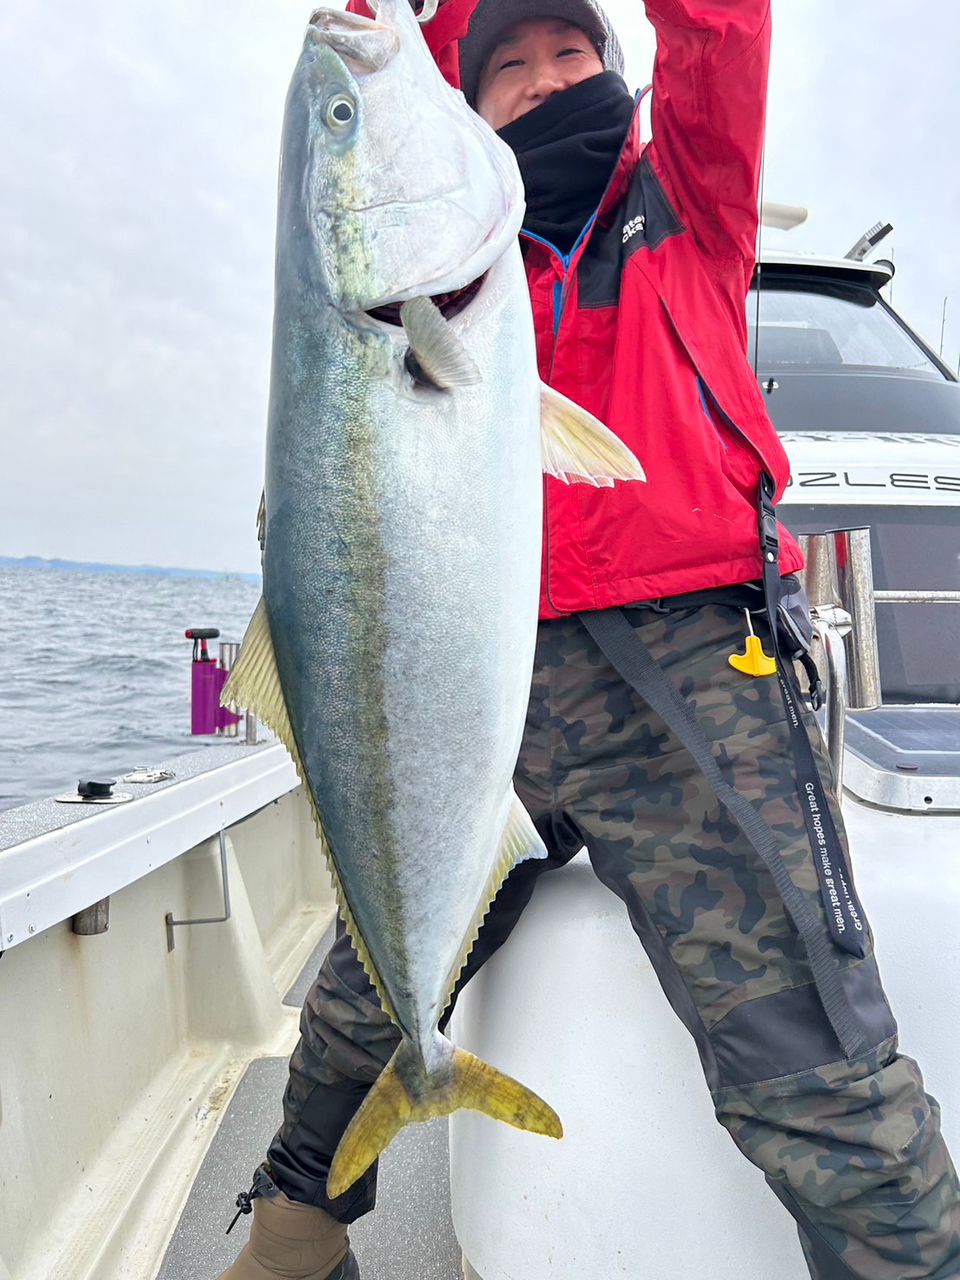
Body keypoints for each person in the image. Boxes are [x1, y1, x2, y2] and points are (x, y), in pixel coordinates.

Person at [218, 2, 960, 1278]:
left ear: (618, 74)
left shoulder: (687, 208)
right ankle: (291, 1235)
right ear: (466, 103)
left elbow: (722, 34)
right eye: (506, 66)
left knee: (802, 1041)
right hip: (476, 684)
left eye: (571, 54)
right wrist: (388, 32)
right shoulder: (461, 265)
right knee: (361, 992)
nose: (543, 80)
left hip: (683, 681)